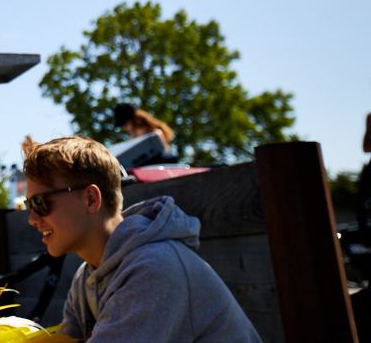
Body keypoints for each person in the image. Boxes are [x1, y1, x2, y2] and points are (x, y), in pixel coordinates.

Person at [22, 136, 260, 342]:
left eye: (40, 203)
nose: (32, 219)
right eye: (28, 205)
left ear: (91, 199)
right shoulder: (86, 277)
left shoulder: (153, 269)